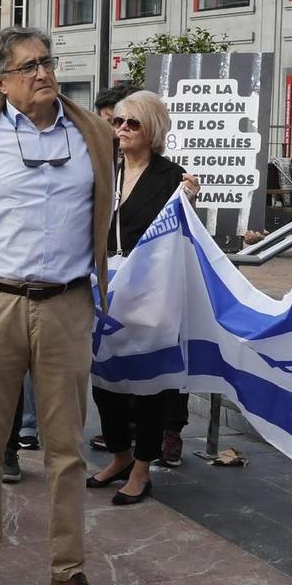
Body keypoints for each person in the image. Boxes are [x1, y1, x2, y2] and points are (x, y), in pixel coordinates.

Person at [0, 27, 115, 585]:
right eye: (29, 66)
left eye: (47, 62)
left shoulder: (91, 132)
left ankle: (68, 572)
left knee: (66, 451)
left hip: (66, 304)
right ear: (2, 81)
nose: (44, 73)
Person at [88, 89, 198, 505]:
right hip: (105, 288)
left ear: (152, 130)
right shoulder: (105, 170)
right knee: (105, 381)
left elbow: (184, 235)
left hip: (149, 293)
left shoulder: (171, 177)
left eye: (132, 123)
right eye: (117, 122)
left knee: (147, 386)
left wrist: (190, 201)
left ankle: (141, 468)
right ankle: (118, 454)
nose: (122, 130)